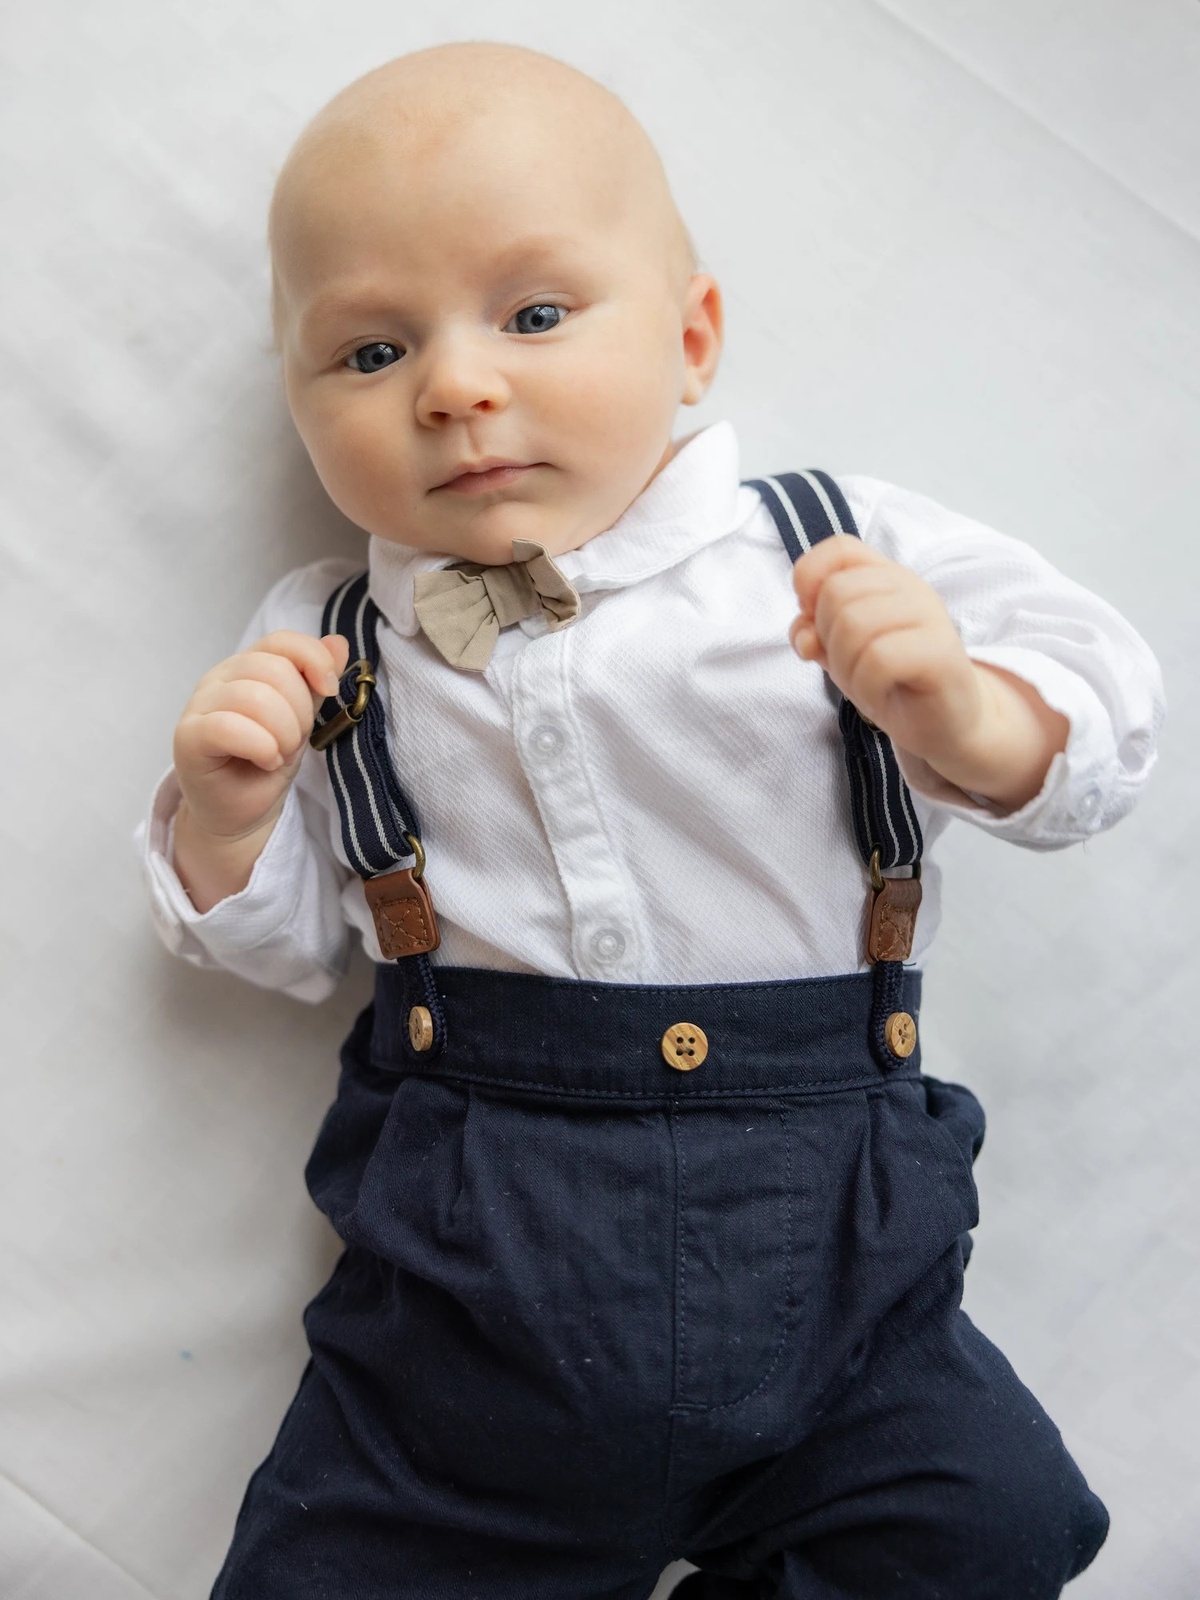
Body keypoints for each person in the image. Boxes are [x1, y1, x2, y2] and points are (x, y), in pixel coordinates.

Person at [137, 39, 1164, 1600]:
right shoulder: (326, 639)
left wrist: (971, 714)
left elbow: (1105, 702)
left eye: (535, 315)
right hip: (466, 1331)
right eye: (370, 352)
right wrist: (226, 821)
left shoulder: (826, 545)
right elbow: (283, 950)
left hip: (843, 1293)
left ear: (691, 338)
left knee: (995, 1524)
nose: (456, 387)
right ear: (300, 403)